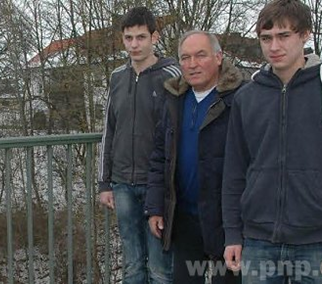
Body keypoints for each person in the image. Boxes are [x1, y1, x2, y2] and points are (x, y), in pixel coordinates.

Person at [222, 0, 322, 283]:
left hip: (319, 243)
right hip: (258, 242)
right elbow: (234, 171)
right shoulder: (246, 97)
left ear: (305, 34)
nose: (274, 46)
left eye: (284, 36)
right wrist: (233, 233)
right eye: (266, 38)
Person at [145, 30, 243, 284]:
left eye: (201, 55)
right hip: (184, 217)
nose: (192, 64)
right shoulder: (174, 100)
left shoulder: (240, 98)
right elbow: (159, 157)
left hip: (226, 221)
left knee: (227, 280)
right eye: (185, 58)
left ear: (219, 57)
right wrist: (156, 207)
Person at [97, 6, 180, 284]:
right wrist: (104, 183)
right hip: (122, 185)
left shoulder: (172, 75)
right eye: (128, 38)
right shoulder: (117, 77)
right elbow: (109, 130)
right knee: (132, 265)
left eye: (141, 37)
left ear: (154, 37)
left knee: (160, 267)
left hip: (157, 186)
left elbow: (179, 133)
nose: (134, 44)